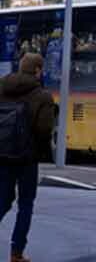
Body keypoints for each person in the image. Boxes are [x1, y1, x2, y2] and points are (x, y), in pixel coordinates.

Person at [0, 53, 56, 262]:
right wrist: (40, 153)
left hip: (2, 154)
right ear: (39, 70)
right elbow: (44, 130)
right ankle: (16, 254)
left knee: (3, 200)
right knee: (26, 204)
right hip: (26, 158)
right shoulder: (43, 96)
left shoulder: (2, 86)